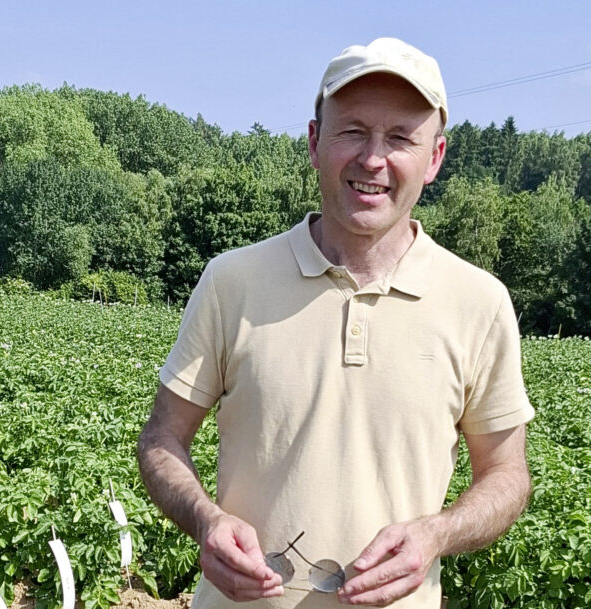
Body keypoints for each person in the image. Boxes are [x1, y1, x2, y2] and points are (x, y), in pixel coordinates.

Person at [137, 37, 534, 609]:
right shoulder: (232, 281)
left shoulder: (481, 302)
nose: (373, 159)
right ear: (315, 141)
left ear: (436, 159)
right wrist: (206, 520)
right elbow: (161, 438)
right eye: (352, 131)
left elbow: (506, 475)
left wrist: (436, 535)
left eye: (401, 137)